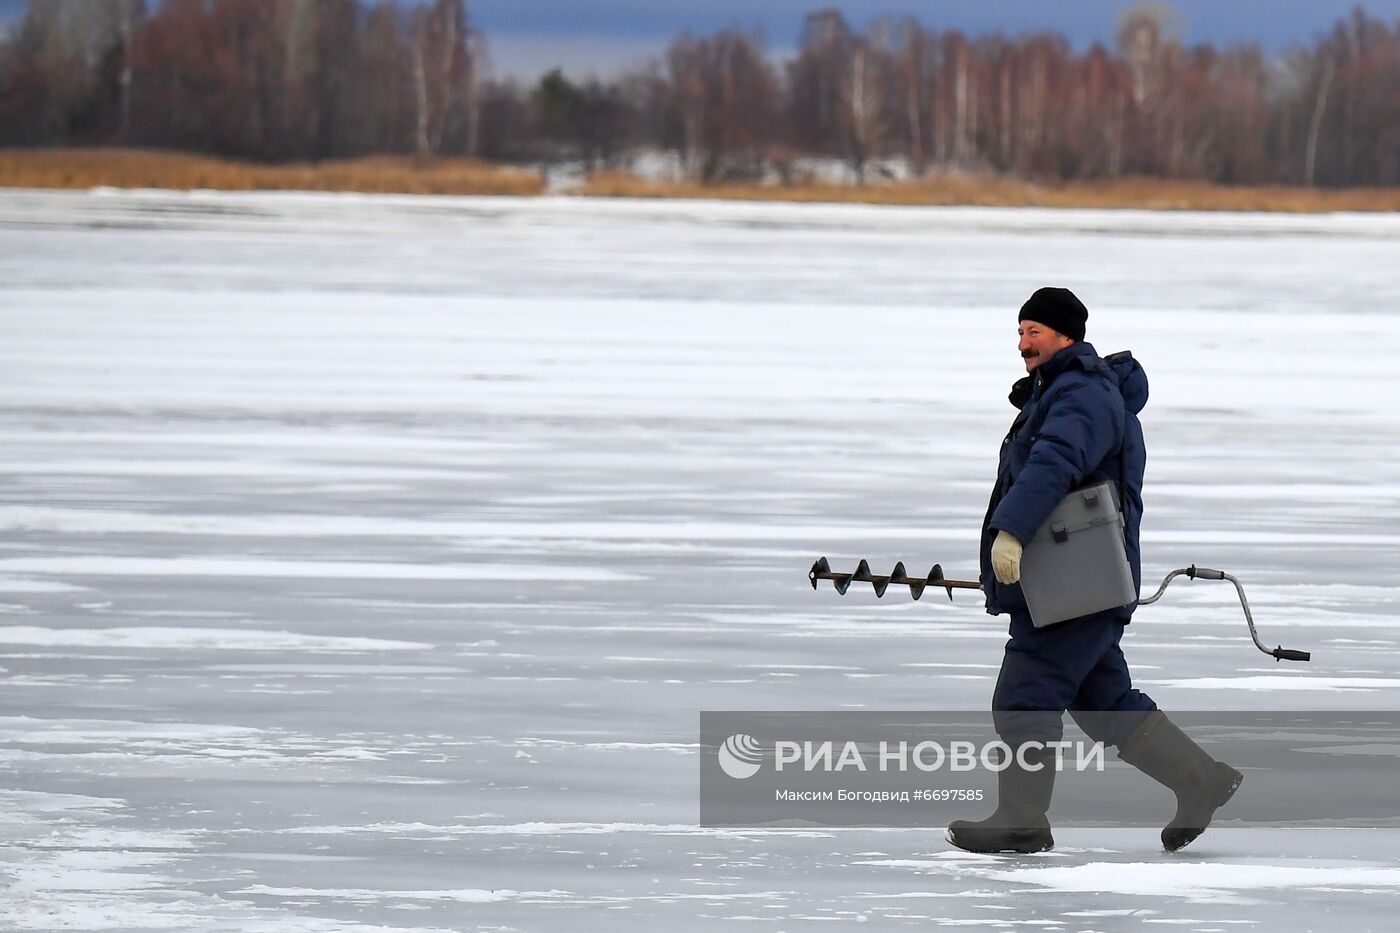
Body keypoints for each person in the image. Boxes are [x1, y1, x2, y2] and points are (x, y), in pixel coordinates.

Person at [946, 286, 1243, 855]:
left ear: (1067, 336)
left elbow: (1057, 461)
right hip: (1075, 579)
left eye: (1034, 332)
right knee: (1105, 701)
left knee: (1026, 693)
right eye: (1020, 332)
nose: (1023, 343)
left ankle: (1022, 818)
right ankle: (1200, 779)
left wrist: (1012, 531)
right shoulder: (1063, 390)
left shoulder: (1082, 393)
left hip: (1076, 581)